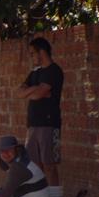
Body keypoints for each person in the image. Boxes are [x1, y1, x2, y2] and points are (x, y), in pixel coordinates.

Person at [19, 37, 64, 186]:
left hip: (49, 124)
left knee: (49, 166)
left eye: (32, 53)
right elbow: (20, 92)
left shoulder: (54, 71)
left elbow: (38, 94)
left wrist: (32, 92)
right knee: (34, 166)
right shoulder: (35, 73)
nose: (31, 57)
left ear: (42, 52)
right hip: (32, 124)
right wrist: (36, 89)